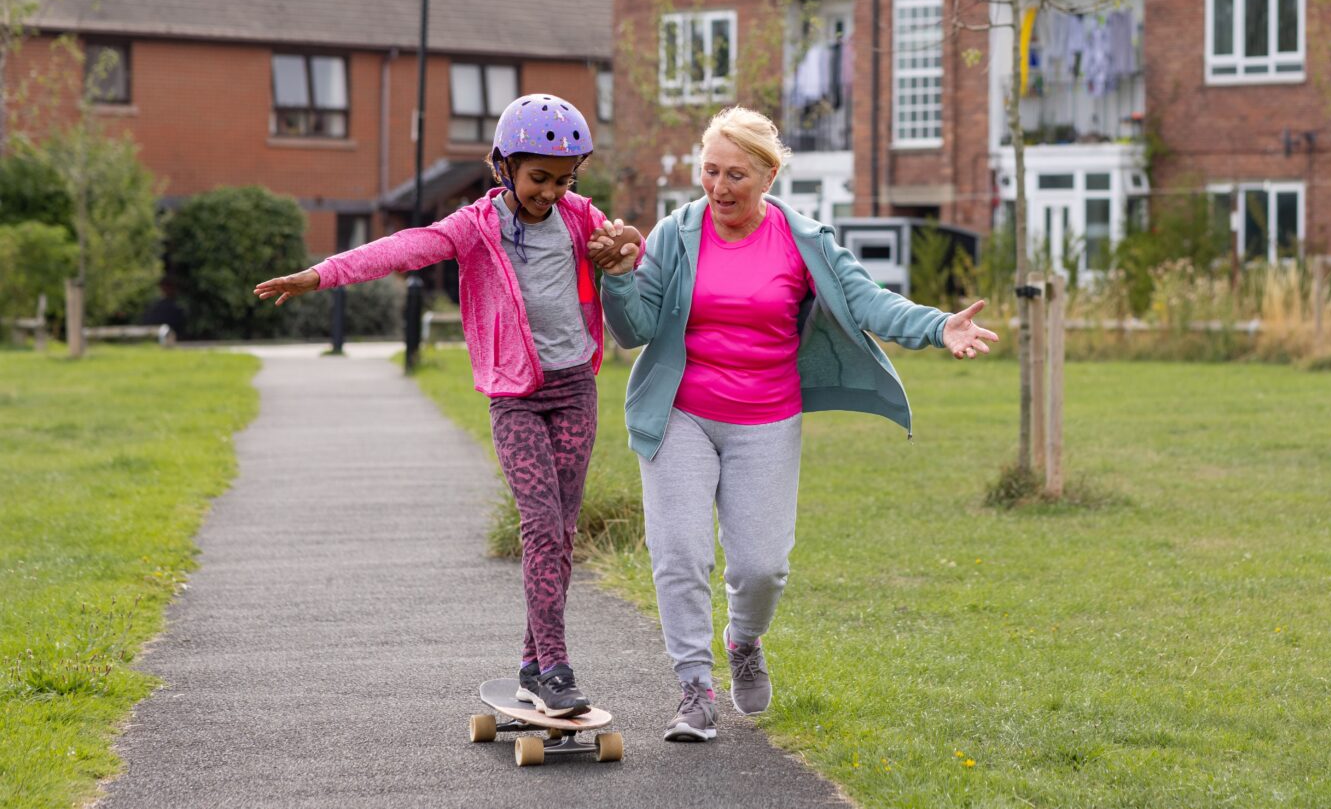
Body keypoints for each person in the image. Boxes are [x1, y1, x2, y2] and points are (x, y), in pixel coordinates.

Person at [592, 106, 996, 742]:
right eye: (710, 171)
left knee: (761, 568)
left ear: (769, 175)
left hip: (765, 420)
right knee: (680, 554)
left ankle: (743, 640)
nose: (720, 188)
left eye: (736, 175)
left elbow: (868, 301)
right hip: (681, 415)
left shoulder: (803, 240)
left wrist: (938, 325)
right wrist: (617, 280)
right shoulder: (676, 232)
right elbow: (634, 329)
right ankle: (694, 690)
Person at [252, 94, 642, 717]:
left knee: (562, 534)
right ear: (503, 166)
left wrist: (627, 247)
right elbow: (401, 248)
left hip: (574, 389)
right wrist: (319, 275)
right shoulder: (474, 229)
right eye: (538, 177)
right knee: (541, 524)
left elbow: (623, 249)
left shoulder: (577, 216)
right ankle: (558, 667)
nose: (551, 192)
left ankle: (531, 669)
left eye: (564, 179)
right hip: (515, 397)